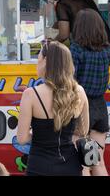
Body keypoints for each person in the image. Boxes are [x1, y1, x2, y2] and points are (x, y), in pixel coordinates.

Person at [17, 40, 89, 176]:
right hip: (71, 166)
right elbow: (83, 131)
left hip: (39, 167)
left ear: (46, 61)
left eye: (38, 58)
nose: (37, 63)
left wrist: (40, 133)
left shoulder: (31, 94)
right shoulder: (79, 91)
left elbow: (22, 139)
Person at [71, 9, 110, 176]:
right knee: (97, 161)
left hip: (81, 107)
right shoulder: (106, 50)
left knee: (83, 165)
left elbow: (70, 80)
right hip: (100, 107)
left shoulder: (76, 49)